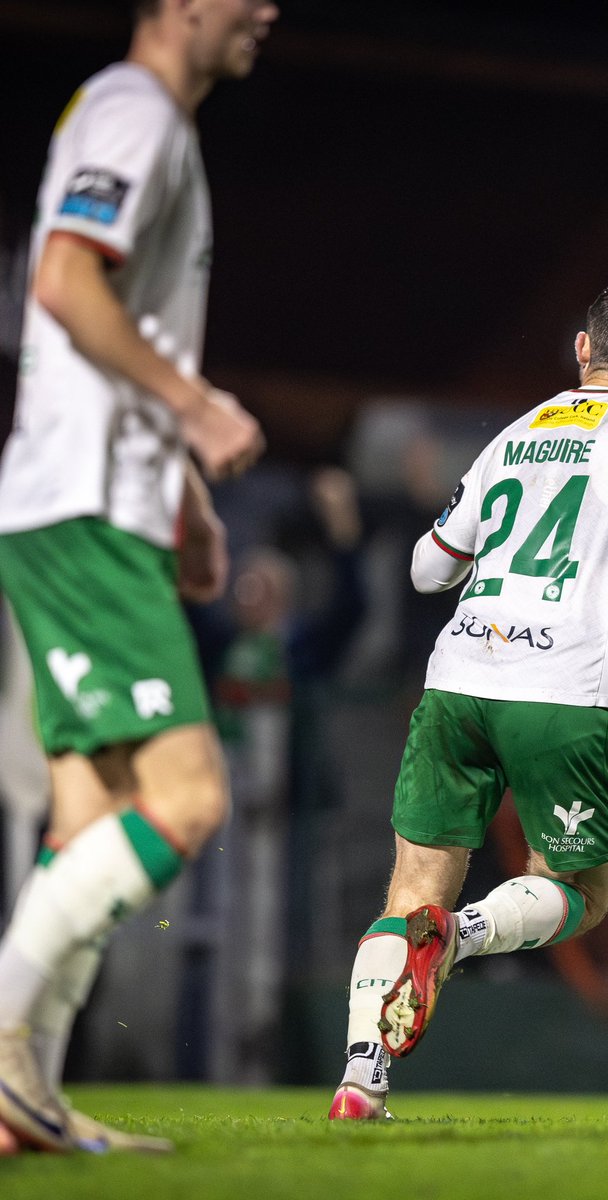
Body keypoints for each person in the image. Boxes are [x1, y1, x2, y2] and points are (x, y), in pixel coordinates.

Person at [327, 276, 608, 1121]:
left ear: (583, 348)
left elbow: (426, 568)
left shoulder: (515, 434)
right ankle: (463, 937)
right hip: (561, 688)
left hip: (457, 679)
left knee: (412, 886)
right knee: (583, 891)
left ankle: (359, 1080)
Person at [0, 0, 276, 1154]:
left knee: (91, 817)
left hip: (90, 506)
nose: (267, 10)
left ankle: (31, 1101)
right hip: (83, 515)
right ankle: (3, 1043)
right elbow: (66, 280)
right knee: (190, 799)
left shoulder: (150, 121)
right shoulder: (135, 111)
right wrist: (197, 409)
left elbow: (120, 339)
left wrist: (188, 499)